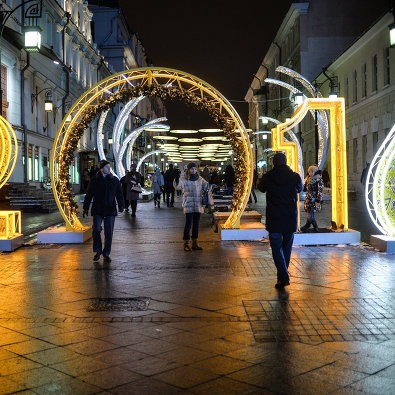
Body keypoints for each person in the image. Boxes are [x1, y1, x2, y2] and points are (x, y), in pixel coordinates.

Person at [258, 152, 303, 288]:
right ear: (286, 162)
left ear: (274, 163)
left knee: (276, 248)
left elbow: (260, 188)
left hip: (275, 218)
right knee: (287, 247)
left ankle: (283, 277)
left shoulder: (268, 177)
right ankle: (282, 277)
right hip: (290, 217)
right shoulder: (295, 176)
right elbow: (300, 188)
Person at [83, 160, 124, 264]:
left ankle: (106, 253)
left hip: (110, 209)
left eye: (109, 167)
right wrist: (85, 208)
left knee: (108, 233)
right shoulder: (95, 180)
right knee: (96, 230)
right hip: (98, 209)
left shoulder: (115, 180)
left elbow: (119, 194)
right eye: (106, 167)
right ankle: (97, 251)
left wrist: (121, 205)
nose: (109, 169)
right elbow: (89, 195)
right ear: (101, 169)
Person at [174, 162, 209, 251]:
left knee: (196, 224)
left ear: (197, 170)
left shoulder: (200, 179)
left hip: (198, 204)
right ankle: (186, 243)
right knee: (188, 224)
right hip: (189, 204)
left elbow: (206, 186)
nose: (193, 170)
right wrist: (176, 179)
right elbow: (177, 187)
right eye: (192, 169)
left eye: (195, 169)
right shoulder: (184, 179)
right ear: (189, 170)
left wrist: (210, 185)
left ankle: (195, 242)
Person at [300, 166, 324, 232]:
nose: (311, 173)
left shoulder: (318, 180)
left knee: (310, 213)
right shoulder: (308, 179)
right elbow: (305, 189)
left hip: (314, 200)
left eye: (312, 171)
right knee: (310, 213)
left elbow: (320, 191)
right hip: (308, 199)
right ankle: (315, 227)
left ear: (315, 172)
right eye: (310, 171)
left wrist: (318, 200)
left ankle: (307, 225)